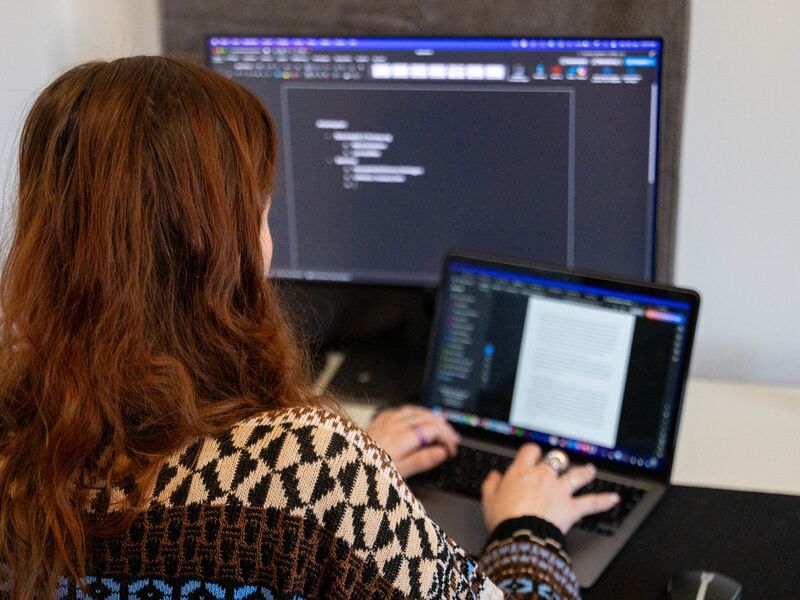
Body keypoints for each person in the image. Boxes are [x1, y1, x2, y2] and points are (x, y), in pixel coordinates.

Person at [0, 56, 619, 600]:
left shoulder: (18, 444)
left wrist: (358, 489)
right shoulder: (311, 469)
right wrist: (528, 527)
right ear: (224, 251)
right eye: (261, 213)